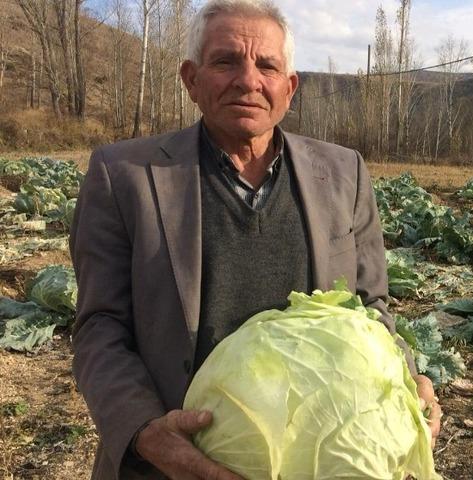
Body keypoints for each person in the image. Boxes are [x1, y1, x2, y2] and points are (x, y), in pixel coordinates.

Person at [69, 0, 441, 478]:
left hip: (320, 459)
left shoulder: (344, 172)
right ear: (191, 79)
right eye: (225, 61)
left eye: (267, 65)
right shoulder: (124, 175)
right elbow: (100, 326)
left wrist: (408, 381)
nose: (248, 80)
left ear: (289, 87)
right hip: (169, 467)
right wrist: (144, 432)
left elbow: (371, 310)